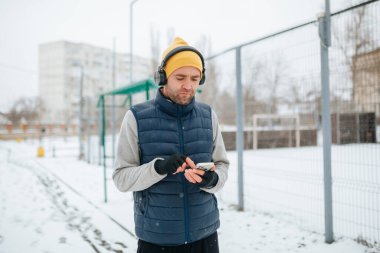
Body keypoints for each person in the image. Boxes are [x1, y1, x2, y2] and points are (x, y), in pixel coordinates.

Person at [113, 37, 229, 253]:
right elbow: (121, 179)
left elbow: (222, 165)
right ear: (163, 77)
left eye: (195, 78)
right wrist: (158, 168)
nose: (188, 85)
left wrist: (212, 179)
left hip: (205, 237)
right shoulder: (136, 117)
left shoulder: (208, 116)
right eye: (180, 77)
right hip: (157, 240)